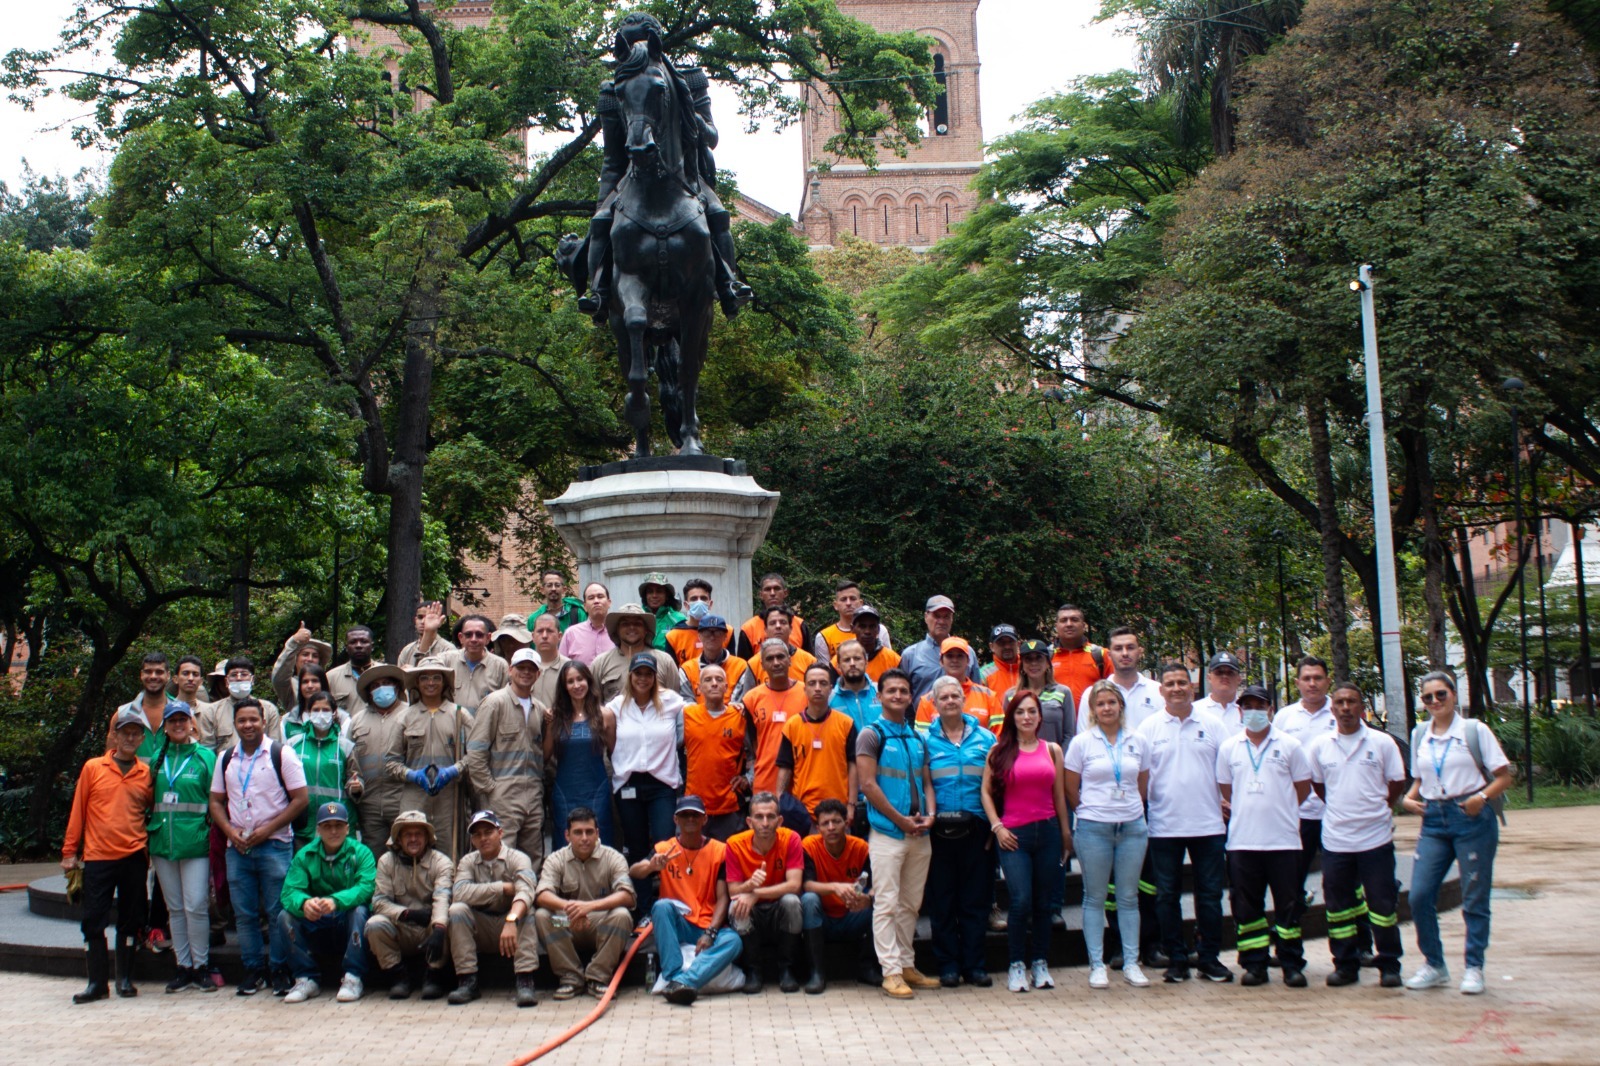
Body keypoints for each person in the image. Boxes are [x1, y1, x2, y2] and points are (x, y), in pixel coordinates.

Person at [1401, 670, 1511, 995]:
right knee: (1419, 895)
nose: (1435, 701)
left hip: (1471, 816)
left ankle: (1474, 967)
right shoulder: (1420, 734)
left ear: (1453, 694)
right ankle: (1434, 964)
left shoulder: (1474, 731)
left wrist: (1482, 798)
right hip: (1434, 819)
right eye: (1428, 697)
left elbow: (1504, 776)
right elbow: (1420, 779)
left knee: (1474, 896)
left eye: (1441, 694)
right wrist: (1408, 798)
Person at [208, 697, 310, 995]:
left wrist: (267, 830)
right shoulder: (225, 758)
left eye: (253, 719)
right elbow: (215, 802)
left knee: (278, 911)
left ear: (264, 721)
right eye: (242, 720)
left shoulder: (281, 754)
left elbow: (301, 799)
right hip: (238, 848)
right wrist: (230, 831)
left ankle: (279, 969)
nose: (248, 725)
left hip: (275, 845)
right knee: (244, 914)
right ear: (234, 724)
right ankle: (253, 970)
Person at [1137, 663, 1230, 983]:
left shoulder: (1213, 725)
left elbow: (1227, 770)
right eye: (1170, 683)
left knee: (1210, 896)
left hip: (1209, 825)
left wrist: (1226, 801)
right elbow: (1141, 777)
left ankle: (1209, 959)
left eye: (1182, 682)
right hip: (1164, 826)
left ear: (1192, 687)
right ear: (1161, 690)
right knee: (1166, 896)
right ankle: (1177, 960)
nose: (1176, 688)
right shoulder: (1148, 728)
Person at [1309, 682, 1407, 989]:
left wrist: (1378, 807)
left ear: (1361, 707)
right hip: (1336, 840)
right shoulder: (1320, 746)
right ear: (1332, 709)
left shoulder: (1381, 742)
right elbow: (1319, 785)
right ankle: (1345, 965)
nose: (1345, 708)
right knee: (1338, 907)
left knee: (1382, 904)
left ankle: (1389, 964)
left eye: (1351, 702)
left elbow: (1396, 782)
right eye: (1339, 703)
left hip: (1375, 839)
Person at [1216, 689, 1312, 987]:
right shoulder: (1229, 747)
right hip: (1243, 840)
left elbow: (1303, 787)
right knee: (1246, 906)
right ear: (1239, 712)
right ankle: (1254, 964)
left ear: (1271, 709)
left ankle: (1291, 963)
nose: (1254, 712)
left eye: (1260, 706)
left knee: (1288, 905)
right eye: (1248, 707)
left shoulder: (1290, 745)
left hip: (1283, 840)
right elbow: (1227, 789)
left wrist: (1281, 807)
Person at [856, 667, 942, 998]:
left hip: (919, 832)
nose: (898, 695)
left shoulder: (917, 737)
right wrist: (900, 820)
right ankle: (890, 972)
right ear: (879, 696)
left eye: (903, 691)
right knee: (887, 903)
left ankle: (907, 964)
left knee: (911, 904)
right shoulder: (871, 734)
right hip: (887, 833)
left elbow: (927, 782)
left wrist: (930, 816)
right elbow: (867, 784)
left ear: (910, 697)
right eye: (891, 690)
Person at [62, 706, 154, 1003]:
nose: (129, 738)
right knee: (93, 919)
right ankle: (97, 983)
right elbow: (78, 810)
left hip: (134, 855)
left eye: (135, 734)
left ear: (142, 739)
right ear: (114, 736)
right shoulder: (93, 768)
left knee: (131, 919)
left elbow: (150, 811)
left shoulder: (145, 773)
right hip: (99, 855)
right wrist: (69, 851)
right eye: (124, 733)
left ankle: (125, 979)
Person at [982, 689, 1072, 993]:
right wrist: (997, 827)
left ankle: (1040, 962)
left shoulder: (1052, 750)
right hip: (1014, 836)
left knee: (1044, 902)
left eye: (1032, 711)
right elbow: (985, 792)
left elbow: (1058, 795)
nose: (1027, 717)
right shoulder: (998, 751)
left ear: (1040, 716)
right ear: (1012, 716)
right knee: (1021, 900)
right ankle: (1016, 964)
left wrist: (1065, 833)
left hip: (1047, 832)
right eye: (1020, 712)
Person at [1064, 680, 1150, 989]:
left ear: (1120, 706)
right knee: (1094, 897)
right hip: (1094, 828)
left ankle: (1131, 963)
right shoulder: (1082, 743)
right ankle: (1096, 965)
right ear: (1093, 710)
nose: (1106, 708)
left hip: (1132, 827)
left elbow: (1142, 784)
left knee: (1128, 897)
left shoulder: (1138, 740)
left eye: (1111, 702)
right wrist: (1092, 810)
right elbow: (1071, 788)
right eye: (1100, 704)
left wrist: (1127, 807)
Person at [628, 795, 743, 1006]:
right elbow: (634, 871)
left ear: (704, 819)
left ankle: (682, 982)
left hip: (707, 922)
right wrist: (652, 866)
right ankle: (673, 973)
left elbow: (723, 899)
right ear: (676, 820)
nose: (690, 819)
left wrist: (711, 932)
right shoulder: (665, 848)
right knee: (661, 906)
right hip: (680, 923)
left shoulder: (719, 851)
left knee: (733, 941)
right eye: (685, 815)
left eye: (695, 815)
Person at [921, 674, 995, 989]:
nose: (950, 701)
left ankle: (975, 966)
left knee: (975, 901)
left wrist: (994, 827)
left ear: (964, 700)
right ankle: (948, 966)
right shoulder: (924, 741)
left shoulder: (986, 739)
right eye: (944, 697)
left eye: (955, 696)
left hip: (978, 829)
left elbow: (996, 786)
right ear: (934, 704)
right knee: (943, 901)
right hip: (938, 831)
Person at [1275, 656, 1347, 957]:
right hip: (1299, 815)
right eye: (1307, 678)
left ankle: (1355, 948)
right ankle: (1287, 950)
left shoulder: (1342, 711)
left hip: (1336, 814)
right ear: (1298, 682)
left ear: (1328, 681)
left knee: (1344, 885)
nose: (1313, 683)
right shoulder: (1284, 718)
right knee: (1291, 884)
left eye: (1318, 678)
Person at [145, 701, 218, 993]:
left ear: (191, 723)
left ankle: (201, 966)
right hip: (163, 842)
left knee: (196, 905)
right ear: (165, 726)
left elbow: (216, 800)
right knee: (174, 908)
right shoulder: (157, 758)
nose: (178, 725)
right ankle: (183, 966)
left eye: (182, 720)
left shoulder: (205, 757)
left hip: (195, 842)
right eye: (172, 721)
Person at [607, 652, 688, 910]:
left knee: (665, 845)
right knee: (636, 846)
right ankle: (642, 909)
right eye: (638, 673)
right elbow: (605, 735)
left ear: (655, 677)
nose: (643, 679)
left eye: (648, 674)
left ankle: (668, 905)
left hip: (662, 783)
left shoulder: (672, 701)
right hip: (628, 783)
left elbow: (698, 715)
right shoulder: (616, 706)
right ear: (630, 676)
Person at [534, 806, 636, 1000]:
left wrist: (588, 907)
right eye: (578, 832)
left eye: (589, 832)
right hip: (567, 922)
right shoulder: (556, 859)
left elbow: (627, 896)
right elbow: (542, 895)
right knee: (542, 916)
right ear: (567, 835)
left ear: (597, 833)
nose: (584, 838)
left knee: (622, 916)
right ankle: (570, 978)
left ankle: (598, 978)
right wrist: (571, 908)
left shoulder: (613, 857)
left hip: (599, 923)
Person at [278, 801, 376, 1003]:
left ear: (347, 828)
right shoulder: (305, 855)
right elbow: (289, 891)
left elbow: (367, 887)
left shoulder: (361, 853)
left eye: (338, 825)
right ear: (318, 829)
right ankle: (305, 978)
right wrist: (304, 903)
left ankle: (353, 977)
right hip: (317, 920)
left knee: (360, 911)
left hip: (345, 920)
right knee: (285, 916)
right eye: (327, 826)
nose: (333, 831)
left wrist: (336, 901)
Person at [447, 810, 541, 1007]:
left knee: (528, 911)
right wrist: (502, 888)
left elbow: (526, 892)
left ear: (500, 833)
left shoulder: (518, 858)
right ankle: (467, 981)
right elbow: (460, 893)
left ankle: (525, 980)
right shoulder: (467, 862)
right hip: (481, 924)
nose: (483, 838)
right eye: (477, 834)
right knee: (457, 910)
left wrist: (511, 919)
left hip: (510, 924)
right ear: (472, 840)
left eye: (488, 832)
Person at [465, 647, 547, 871]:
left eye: (531, 668)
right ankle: (498, 893)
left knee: (532, 855)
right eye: (521, 667)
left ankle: (527, 892)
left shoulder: (540, 709)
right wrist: (490, 789)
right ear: (510, 670)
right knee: (499, 852)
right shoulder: (495, 702)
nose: (526, 672)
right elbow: (476, 750)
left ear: (538, 674)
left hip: (533, 794)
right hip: (502, 794)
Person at [388, 657, 472, 860]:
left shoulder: (460, 715)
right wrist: (412, 775)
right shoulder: (404, 718)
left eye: (436, 677)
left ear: (444, 682)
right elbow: (391, 762)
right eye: (424, 678)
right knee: (411, 851)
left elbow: (476, 755)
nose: (431, 682)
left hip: (450, 799)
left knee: (449, 854)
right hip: (414, 798)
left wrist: (455, 770)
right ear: (417, 683)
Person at [364, 809, 453, 1001]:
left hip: (429, 929)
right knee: (374, 924)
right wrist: (407, 914)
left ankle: (433, 975)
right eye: (408, 834)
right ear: (398, 839)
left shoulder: (442, 862)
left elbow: (443, 896)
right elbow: (379, 902)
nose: (413, 839)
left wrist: (438, 927)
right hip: (401, 927)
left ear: (427, 838)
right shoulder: (386, 862)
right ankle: (397, 976)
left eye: (418, 834)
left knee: (450, 918)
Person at [724, 791, 806, 994]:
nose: (765, 823)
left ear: (780, 820)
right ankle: (753, 970)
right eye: (759, 817)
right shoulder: (734, 844)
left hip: (778, 908)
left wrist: (756, 893)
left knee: (792, 901)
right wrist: (749, 885)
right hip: (753, 912)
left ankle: (787, 968)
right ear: (749, 822)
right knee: (737, 905)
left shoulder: (791, 838)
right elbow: (733, 890)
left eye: (770, 817)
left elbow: (795, 885)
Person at [800, 798, 875, 992]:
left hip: (852, 914)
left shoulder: (861, 848)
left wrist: (865, 897)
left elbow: (871, 882)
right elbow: (806, 885)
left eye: (836, 821)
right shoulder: (809, 846)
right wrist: (835, 887)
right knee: (808, 900)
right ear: (818, 828)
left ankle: (868, 967)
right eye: (825, 823)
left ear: (847, 823)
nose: (831, 827)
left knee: (878, 903)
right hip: (822, 918)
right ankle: (816, 972)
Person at [777, 663, 859, 829]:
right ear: (805, 689)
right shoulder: (792, 725)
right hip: (803, 814)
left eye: (823, 683)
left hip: (839, 813)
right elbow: (785, 767)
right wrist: (779, 800)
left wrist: (851, 805)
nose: (817, 688)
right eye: (812, 683)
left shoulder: (846, 724)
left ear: (830, 688)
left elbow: (853, 766)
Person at [546, 661, 619, 848]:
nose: (576, 685)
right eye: (570, 681)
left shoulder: (605, 715)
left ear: (589, 681)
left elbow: (616, 755)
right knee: (565, 844)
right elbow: (544, 756)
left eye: (580, 679)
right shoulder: (555, 717)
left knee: (599, 843)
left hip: (596, 789)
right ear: (564, 686)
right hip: (565, 791)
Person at [346, 663, 412, 862]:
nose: (381, 688)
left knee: (407, 855)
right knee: (372, 857)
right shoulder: (357, 721)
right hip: (370, 805)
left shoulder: (411, 714)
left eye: (386, 683)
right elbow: (350, 762)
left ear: (397, 687)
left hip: (403, 800)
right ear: (369, 692)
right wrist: (355, 786)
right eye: (375, 686)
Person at [682, 662, 754, 841]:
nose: (714, 683)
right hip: (694, 804)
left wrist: (749, 777)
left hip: (729, 804)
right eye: (708, 680)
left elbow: (757, 751)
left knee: (727, 854)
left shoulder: (740, 716)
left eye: (719, 679)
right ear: (699, 688)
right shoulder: (687, 715)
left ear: (726, 686)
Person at [286, 691, 359, 850]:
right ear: (308, 713)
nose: (320, 714)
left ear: (334, 713)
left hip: (335, 822)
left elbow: (354, 778)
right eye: (316, 710)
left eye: (325, 710)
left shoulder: (345, 746)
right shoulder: (293, 745)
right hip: (302, 825)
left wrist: (357, 786)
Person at [742, 638, 810, 794]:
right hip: (766, 779)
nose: (776, 662)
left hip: (802, 780)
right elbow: (751, 740)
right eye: (770, 659)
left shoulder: (806, 693)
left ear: (789, 660)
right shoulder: (751, 698)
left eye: (780, 657)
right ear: (762, 665)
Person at [413, 608, 510, 715]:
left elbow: (506, 704)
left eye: (479, 635)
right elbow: (421, 670)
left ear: (488, 638)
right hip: (451, 723)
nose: (473, 639)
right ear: (461, 638)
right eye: (468, 635)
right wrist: (428, 632)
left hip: (485, 725)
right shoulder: (447, 660)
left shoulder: (500, 666)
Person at [1074, 627, 1162, 734]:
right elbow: (1084, 738)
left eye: (1130, 647)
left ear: (1140, 652)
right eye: (1118, 648)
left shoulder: (1158, 692)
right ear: (1109, 655)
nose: (1125, 653)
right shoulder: (1091, 695)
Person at [592, 602, 683, 702]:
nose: (631, 627)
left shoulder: (665, 661)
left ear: (646, 629)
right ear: (617, 629)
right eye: (625, 624)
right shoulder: (600, 663)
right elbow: (593, 705)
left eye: (637, 624)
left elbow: (675, 703)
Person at [914, 637, 1002, 734]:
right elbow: (921, 739)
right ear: (941, 661)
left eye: (960, 656)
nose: (955, 660)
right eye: (949, 656)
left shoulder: (988, 696)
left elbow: (999, 736)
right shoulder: (927, 701)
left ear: (968, 661)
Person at [901, 595, 978, 703]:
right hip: (922, 713)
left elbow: (977, 692)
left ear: (952, 619)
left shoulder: (967, 652)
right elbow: (902, 695)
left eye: (946, 617)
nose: (941, 621)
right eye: (936, 616)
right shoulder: (910, 655)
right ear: (926, 617)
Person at [198, 656, 283, 753]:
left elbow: (274, 747)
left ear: (252, 680)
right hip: (226, 762)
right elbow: (208, 752)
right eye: (234, 675)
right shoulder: (212, 712)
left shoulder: (269, 709)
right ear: (226, 681)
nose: (239, 678)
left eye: (244, 674)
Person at [1003, 639, 1074, 747]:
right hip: (1021, 756)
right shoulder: (1011, 696)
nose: (1034, 663)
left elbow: (1069, 734)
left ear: (1048, 663)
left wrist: (1060, 756)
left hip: (1054, 756)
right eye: (1028, 659)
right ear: (1022, 665)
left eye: (1039, 658)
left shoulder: (1063, 692)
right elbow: (1007, 734)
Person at [813, 579, 892, 666]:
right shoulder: (824, 636)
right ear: (835, 605)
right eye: (843, 599)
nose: (848, 603)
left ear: (861, 603)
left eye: (853, 599)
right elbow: (825, 671)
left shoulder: (880, 630)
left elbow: (888, 661)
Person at [742, 610, 817, 692]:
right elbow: (748, 697)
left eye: (783, 622)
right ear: (765, 630)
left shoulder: (809, 661)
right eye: (772, 623)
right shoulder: (754, 663)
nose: (778, 626)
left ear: (791, 628)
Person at [737, 573, 807, 659]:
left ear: (785, 593)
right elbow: (744, 664)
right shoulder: (749, 628)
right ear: (761, 595)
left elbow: (809, 660)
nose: (772, 593)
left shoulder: (799, 625)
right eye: (768, 589)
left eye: (777, 589)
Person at [680, 613, 749, 700]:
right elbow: (687, 704)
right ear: (699, 636)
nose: (712, 637)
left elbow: (737, 704)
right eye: (707, 633)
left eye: (717, 633)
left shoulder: (741, 667)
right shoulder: (687, 669)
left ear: (725, 636)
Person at [1051, 604, 1111, 704]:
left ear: (1084, 626)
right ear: (1056, 627)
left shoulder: (1101, 655)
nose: (1069, 624)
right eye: (1063, 620)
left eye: (1074, 620)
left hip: (1092, 714)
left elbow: (1116, 689)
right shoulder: (1046, 657)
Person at [270, 622, 335, 711]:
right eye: (305, 654)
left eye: (315, 656)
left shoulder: (330, 682)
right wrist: (294, 641)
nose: (310, 659)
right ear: (295, 660)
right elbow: (279, 676)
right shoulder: (291, 685)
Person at [282, 663, 349, 743]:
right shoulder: (289, 720)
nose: (310, 685)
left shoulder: (342, 718)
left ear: (323, 684)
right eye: (305, 682)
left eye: (315, 681)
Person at [325, 625, 382, 716]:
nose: (358, 645)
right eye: (353, 642)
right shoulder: (331, 677)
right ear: (346, 647)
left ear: (372, 646)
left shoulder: (385, 673)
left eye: (364, 641)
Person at [557, 581, 616, 665]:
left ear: (609, 602)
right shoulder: (571, 634)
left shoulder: (618, 633)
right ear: (584, 606)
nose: (596, 601)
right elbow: (562, 668)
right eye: (591, 598)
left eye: (600, 596)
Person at [829, 639, 883, 730]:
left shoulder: (881, 692)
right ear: (838, 666)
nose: (852, 664)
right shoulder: (829, 699)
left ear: (866, 662)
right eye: (847, 660)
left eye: (857, 658)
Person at [839, 604, 900, 682]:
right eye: (862, 626)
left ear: (878, 629)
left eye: (872, 626)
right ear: (852, 628)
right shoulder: (841, 658)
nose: (867, 631)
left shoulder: (893, 659)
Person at [664, 578, 715, 665]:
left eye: (703, 598)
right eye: (694, 599)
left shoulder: (725, 632)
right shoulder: (673, 636)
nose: (699, 602)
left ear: (710, 604)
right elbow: (671, 670)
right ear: (686, 605)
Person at [1194, 651, 1245, 733]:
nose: (1224, 676)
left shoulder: (1248, 711)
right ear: (1209, 678)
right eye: (1219, 672)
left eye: (1230, 673)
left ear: (1239, 679)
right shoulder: (1195, 710)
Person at [396, 601, 457, 667]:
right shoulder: (406, 651)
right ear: (415, 620)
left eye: (428, 618)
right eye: (420, 617)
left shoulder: (448, 650)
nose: (423, 621)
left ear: (440, 621)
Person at [529, 613, 571, 708]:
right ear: (533, 636)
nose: (544, 636)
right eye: (540, 631)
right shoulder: (524, 667)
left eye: (550, 631)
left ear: (559, 636)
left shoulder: (569, 668)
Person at [638, 572, 686, 651]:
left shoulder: (679, 619)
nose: (654, 595)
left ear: (667, 595)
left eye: (659, 591)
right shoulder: (637, 617)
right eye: (650, 592)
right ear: (645, 596)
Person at [980, 624, 1023, 699]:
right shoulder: (984, 675)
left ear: (1018, 644)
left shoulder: (1028, 669)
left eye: (1011, 642)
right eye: (1001, 643)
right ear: (991, 647)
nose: (1007, 646)